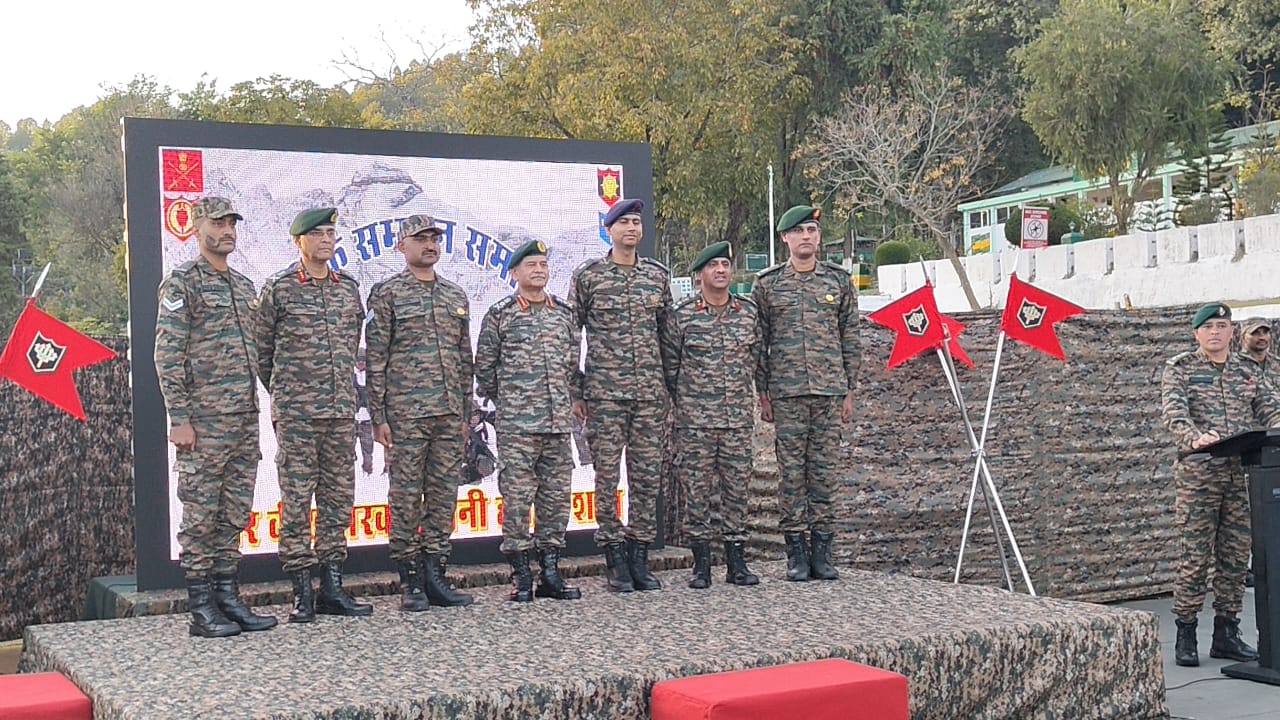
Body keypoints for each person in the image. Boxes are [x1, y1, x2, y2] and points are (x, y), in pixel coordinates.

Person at [154, 196, 278, 638]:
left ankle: (228, 597)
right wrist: (179, 418)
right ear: (196, 228)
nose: (227, 230)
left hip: (243, 420)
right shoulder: (182, 283)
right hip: (203, 424)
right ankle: (201, 608)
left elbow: (261, 356)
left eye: (231, 223)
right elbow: (167, 355)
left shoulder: (244, 287)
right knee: (201, 516)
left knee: (233, 515)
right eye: (218, 222)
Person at [255, 207, 372, 622]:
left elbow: (350, 344)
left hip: (340, 412)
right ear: (298, 241)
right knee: (297, 500)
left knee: (339, 498)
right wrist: (288, 392)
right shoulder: (279, 289)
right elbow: (261, 352)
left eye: (330, 234)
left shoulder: (348, 290)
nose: (326, 240)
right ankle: (301, 590)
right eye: (317, 234)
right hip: (298, 413)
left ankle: (333, 586)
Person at [364, 214, 475, 611]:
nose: (429, 245)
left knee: (444, 497)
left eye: (434, 239)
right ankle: (409, 581)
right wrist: (378, 416)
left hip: (448, 415)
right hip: (407, 414)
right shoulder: (388, 294)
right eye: (420, 239)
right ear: (402, 246)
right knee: (407, 498)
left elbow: (465, 358)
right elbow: (376, 358)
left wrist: (466, 412)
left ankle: (436, 575)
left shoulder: (454, 296)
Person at [1161, 302, 1280, 666]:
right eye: (1208, 327)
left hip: (1244, 475)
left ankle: (1226, 633)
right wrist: (1194, 437)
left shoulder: (1248, 369)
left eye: (1221, 326)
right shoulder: (1180, 369)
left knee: (1233, 557)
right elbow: (1174, 413)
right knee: (1195, 558)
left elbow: (1269, 407)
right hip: (1200, 476)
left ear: (1232, 332)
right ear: (1197, 334)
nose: (1215, 332)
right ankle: (1185, 631)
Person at [569, 198, 674, 592]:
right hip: (605, 396)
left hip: (648, 395)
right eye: (623, 222)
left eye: (636, 222)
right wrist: (577, 390)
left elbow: (669, 336)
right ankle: (613, 555)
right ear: (608, 230)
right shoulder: (589, 276)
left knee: (647, 476)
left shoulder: (656, 277)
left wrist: (669, 389)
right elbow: (570, 334)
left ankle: (640, 555)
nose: (631, 228)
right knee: (607, 476)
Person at [752, 205, 860, 582]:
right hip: (787, 393)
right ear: (785, 238)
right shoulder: (767, 285)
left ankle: (823, 552)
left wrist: (849, 388)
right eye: (798, 231)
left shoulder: (838, 282)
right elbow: (759, 341)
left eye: (812, 230)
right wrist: (763, 391)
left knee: (824, 475)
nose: (806, 237)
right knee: (792, 476)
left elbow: (850, 336)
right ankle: (796, 553)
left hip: (829, 391)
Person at [474, 240, 582, 602]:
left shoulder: (564, 315)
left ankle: (550, 573)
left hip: (557, 425)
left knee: (555, 500)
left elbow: (571, 367)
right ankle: (521, 575)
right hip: (518, 426)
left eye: (542, 264)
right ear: (515, 273)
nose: (538, 270)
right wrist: (513, 401)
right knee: (518, 500)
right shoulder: (501, 315)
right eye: (530, 265)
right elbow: (485, 371)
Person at [661, 241, 760, 589]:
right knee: (697, 494)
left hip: (736, 421)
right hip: (696, 422)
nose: (721, 270)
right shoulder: (683, 315)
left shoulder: (747, 313)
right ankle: (701, 565)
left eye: (726, 265)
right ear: (700, 273)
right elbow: (670, 366)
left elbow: (755, 359)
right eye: (713, 265)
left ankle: (737, 563)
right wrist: (688, 403)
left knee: (737, 492)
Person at [1237, 317, 1276, 589]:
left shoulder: (1276, 365)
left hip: (1274, 443)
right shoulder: (1235, 367)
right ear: (1243, 337)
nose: (1261, 338)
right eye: (1255, 333)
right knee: (1246, 508)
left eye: (1265, 332)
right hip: (1246, 446)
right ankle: (1247, 565)